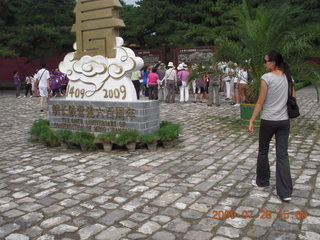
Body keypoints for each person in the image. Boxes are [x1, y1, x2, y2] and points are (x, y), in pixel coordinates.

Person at [249, 50, 294, 202]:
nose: (264, 63)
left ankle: (262, 181)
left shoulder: (266, 78)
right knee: (282, 155)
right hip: (284, 121)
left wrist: (251, 121)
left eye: (266, 61)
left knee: (263, 151)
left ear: (273, 62)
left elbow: (260, 102)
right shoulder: (289, 77)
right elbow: (294, 97)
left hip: (268, 120)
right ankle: (285, 192)